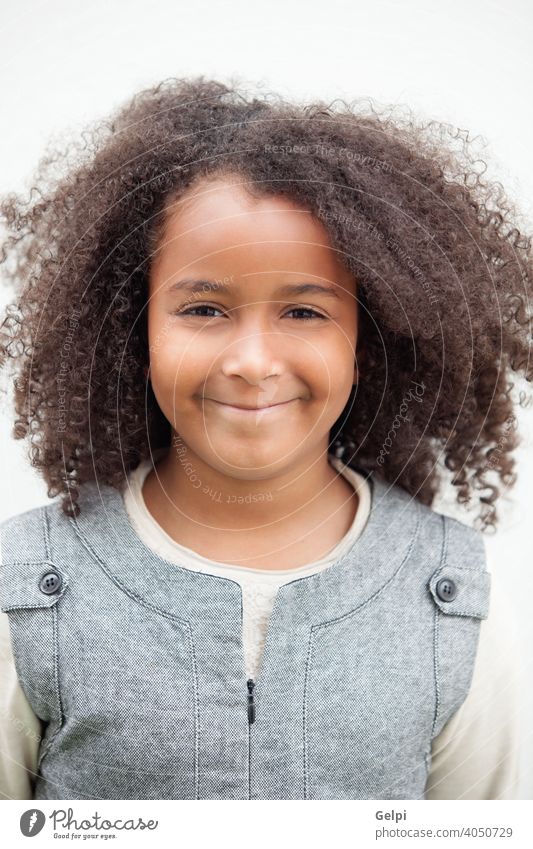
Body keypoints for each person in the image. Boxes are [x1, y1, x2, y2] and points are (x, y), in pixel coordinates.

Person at [0, 78, 529, 800]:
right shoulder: (28, 589)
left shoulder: (453, 601)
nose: (251, 361)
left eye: (304, 312)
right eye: (205, 307)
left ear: (366, 338)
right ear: (135, 328)